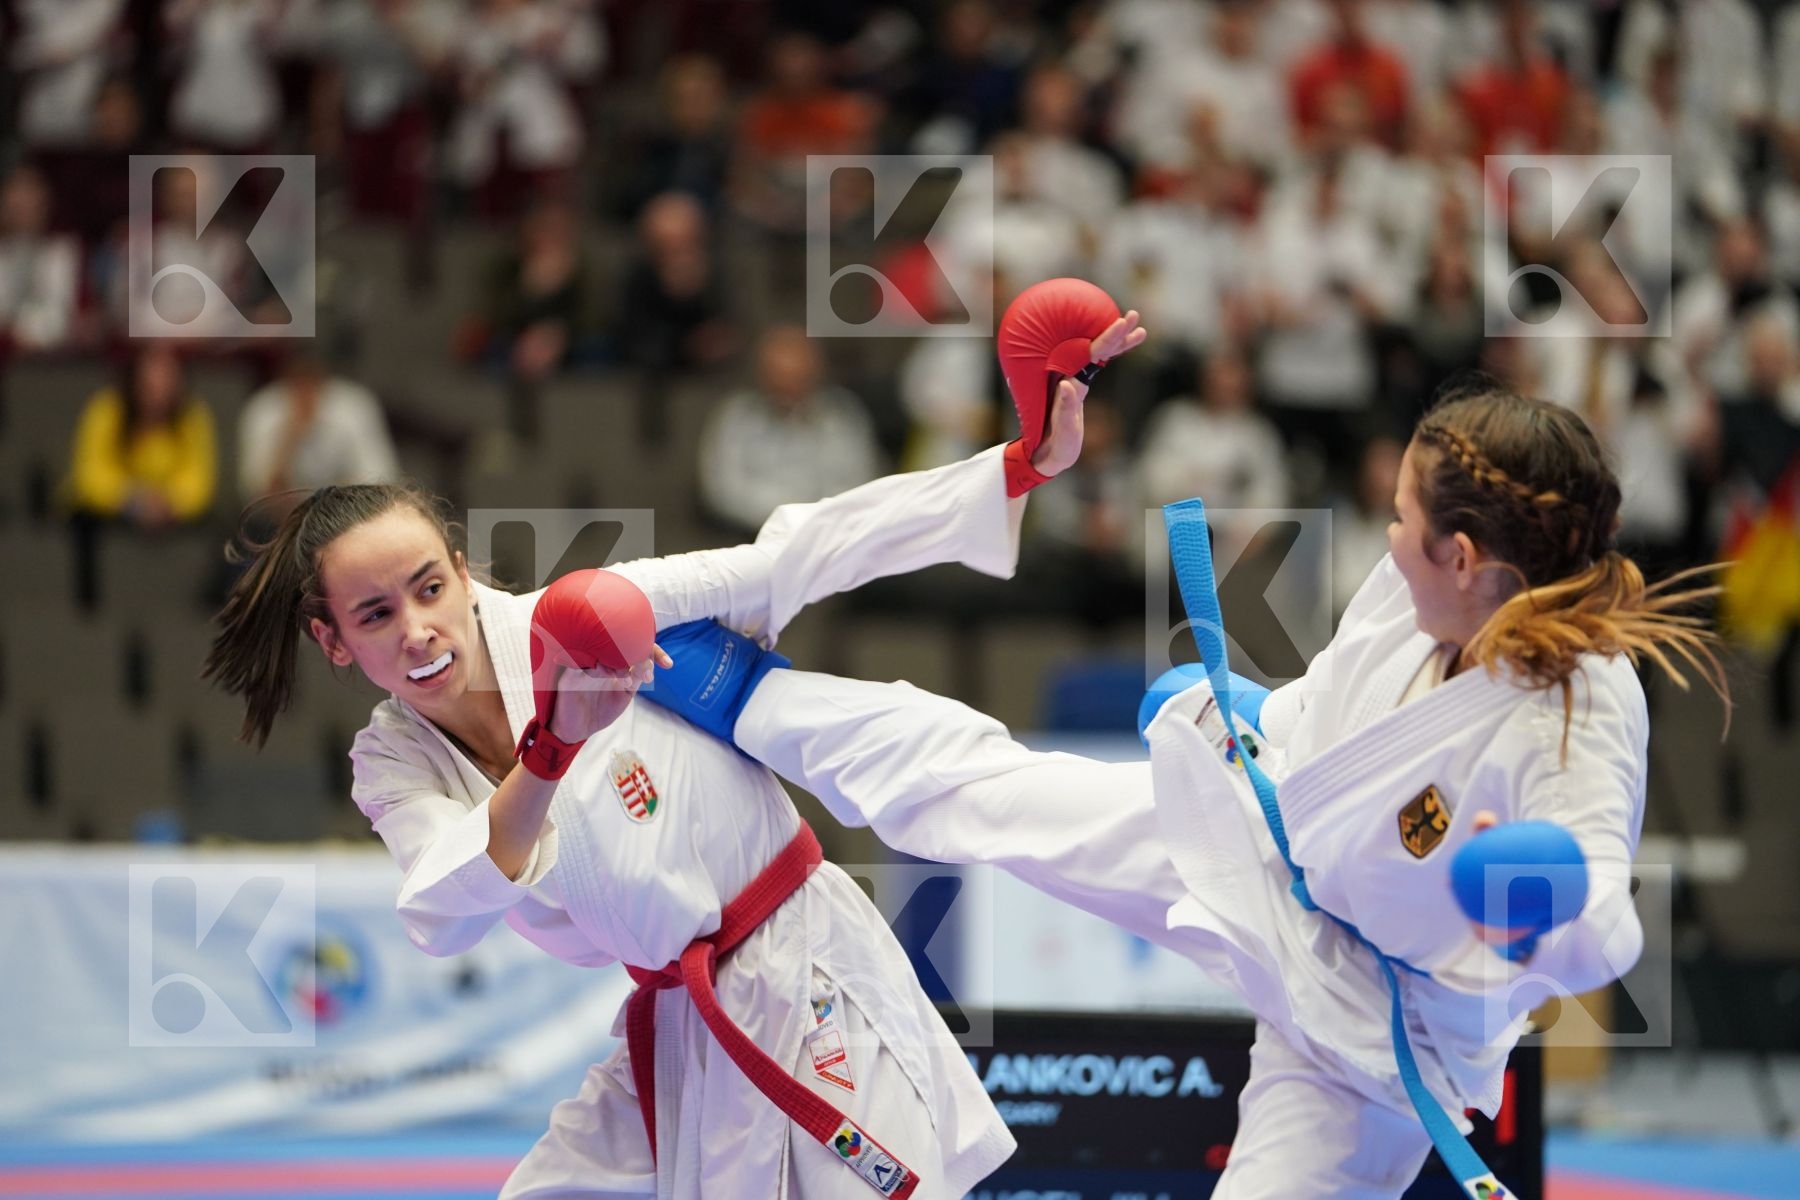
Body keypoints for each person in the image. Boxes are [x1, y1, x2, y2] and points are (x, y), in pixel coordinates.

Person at [640, 380, 1727, 1199]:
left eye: (1400, 518)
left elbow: (1608, 931)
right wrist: (1255, 717)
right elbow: (1328, 707)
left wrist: (1546, 909)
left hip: (1374, 1029)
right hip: (1269, 851)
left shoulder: (1582, 707)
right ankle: (748, 695)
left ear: (1462, 554)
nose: (1384, 531)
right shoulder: (1416, 596)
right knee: (995, 788)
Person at [202, 302, 1149, 1198]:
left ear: (460, 569)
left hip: (804, 968)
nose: (417, 629)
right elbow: (445, 903)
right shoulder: (393, 759)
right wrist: (550, 752)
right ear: (335, 643)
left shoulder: (599, 621)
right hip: (678, 1019)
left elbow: (799, 553)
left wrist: (1021, 466)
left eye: (426, 587)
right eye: (375, 614)